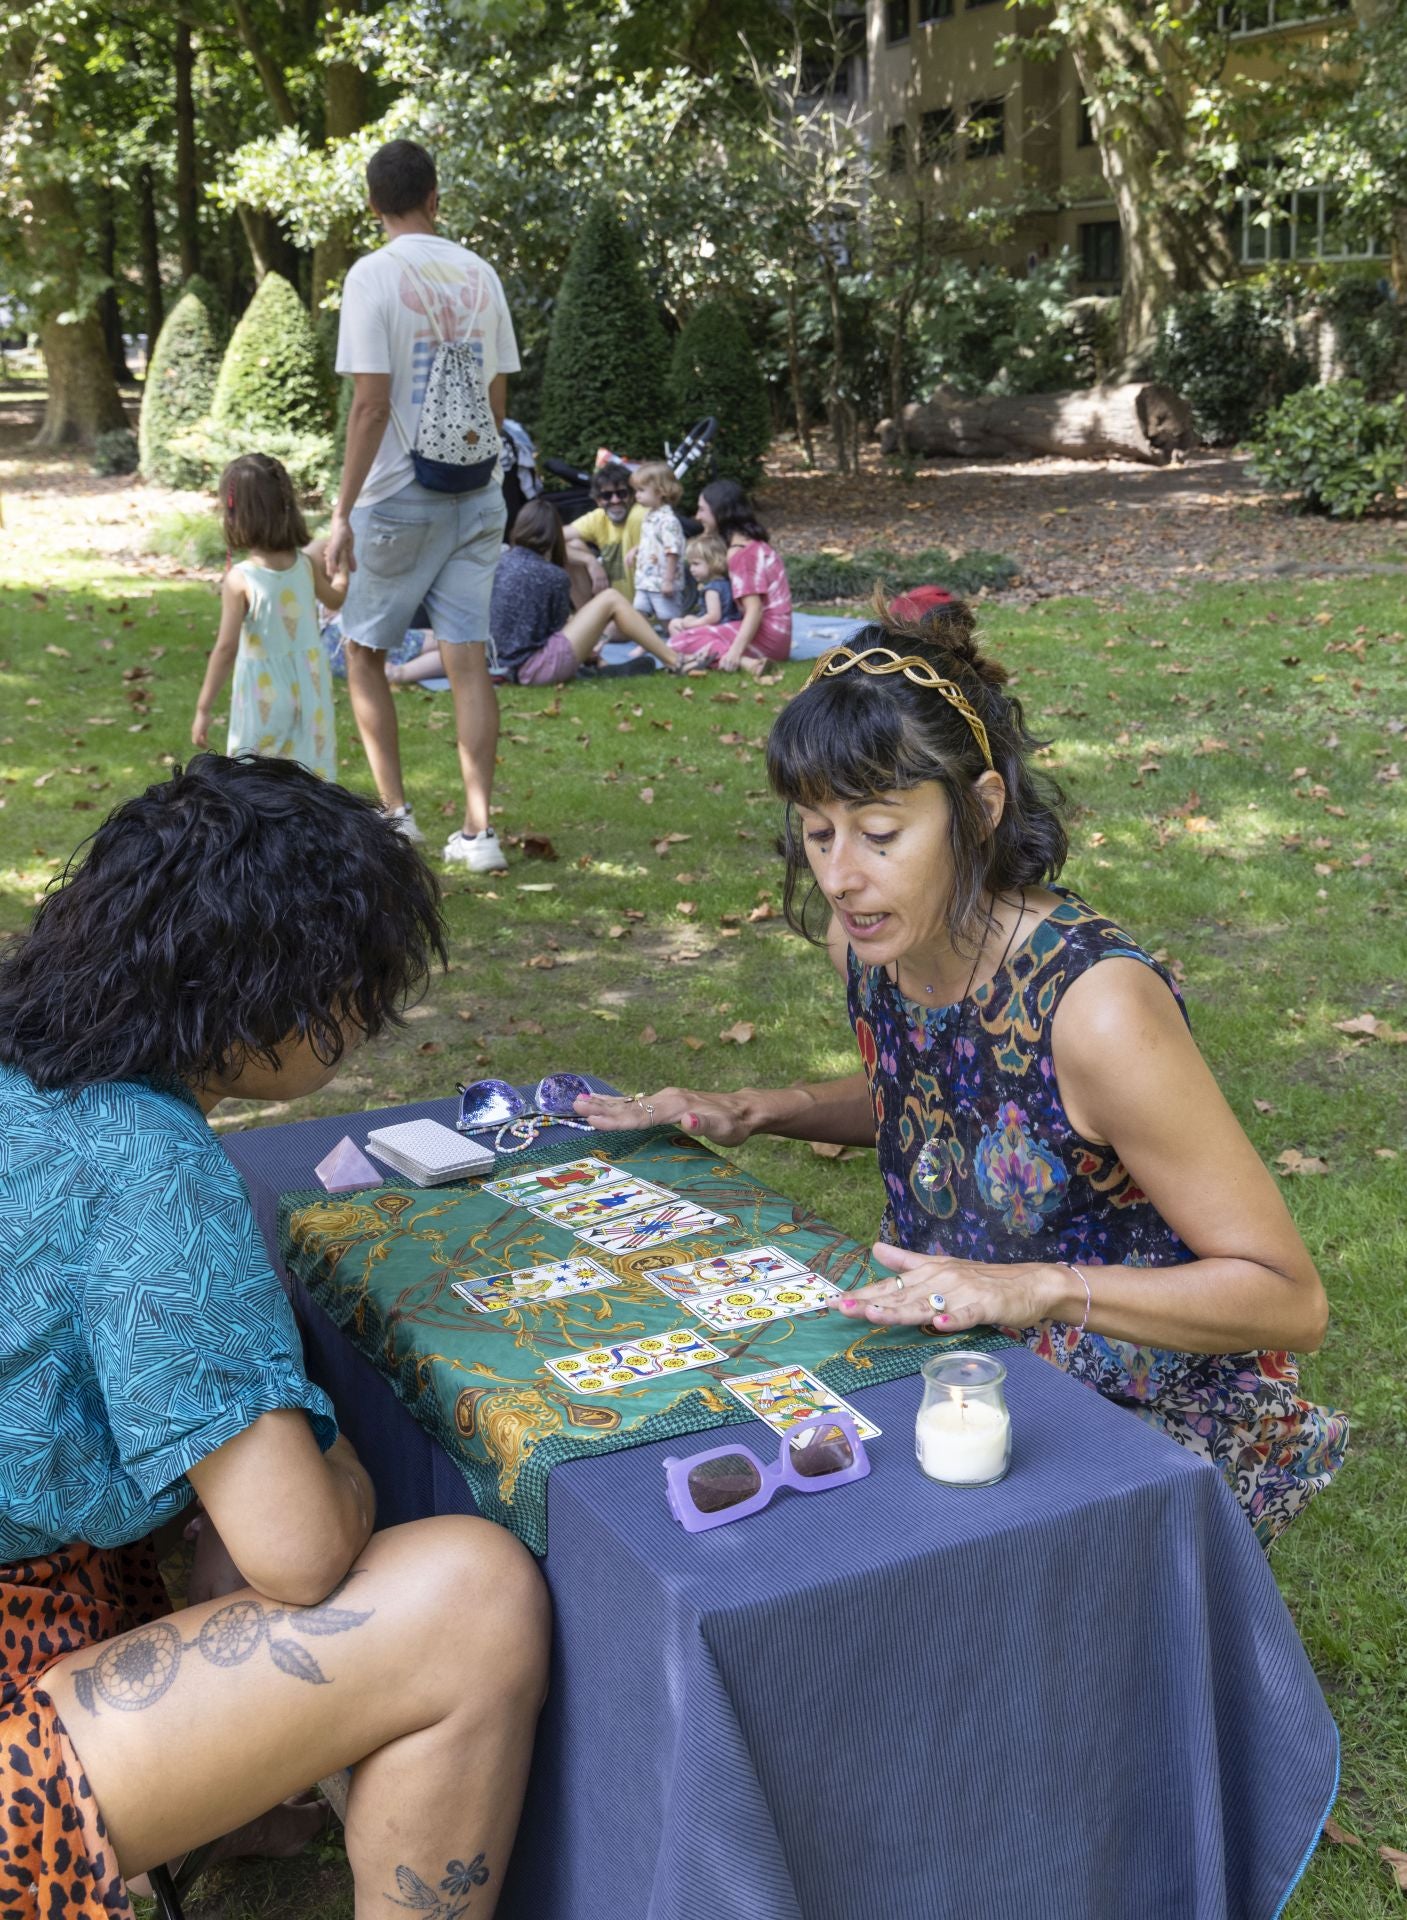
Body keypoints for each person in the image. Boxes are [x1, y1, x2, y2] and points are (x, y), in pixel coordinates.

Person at [578, 604, 1348, 1545]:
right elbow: (945, 1098)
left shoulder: (1097, 1007)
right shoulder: (864, 946)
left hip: (1148, 1392)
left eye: (878, 832)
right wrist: (756, 1107)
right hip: (959, 1342)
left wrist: (1041, 1286)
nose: (839, 876)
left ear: (979, 809)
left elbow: (1286, 1298)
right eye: (817, 833)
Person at [0, 755, 549, 1920]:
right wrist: (335, 1457)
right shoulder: (149, 1163)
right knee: (473, 1597)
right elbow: (294, 1550)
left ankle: (240, 1801)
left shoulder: (34, 1062)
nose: (367, 1018)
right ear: (266, 990)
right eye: (354, 985)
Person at [329, 136, 519, 874]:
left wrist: (342, 510)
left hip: (397, 494)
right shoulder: (480, 274)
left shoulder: (371, 276)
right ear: (436, 198)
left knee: (364, 652)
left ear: (373, 205)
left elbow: (370, 405)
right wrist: (478, 459)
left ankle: (395, 819)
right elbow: (499, 394)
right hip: (476, 490)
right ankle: (479, 834)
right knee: (466, 659)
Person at [192, 454, 343, 778]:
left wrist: (204, 708)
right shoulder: (305, 565)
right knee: (308, 781)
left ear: (236, 515)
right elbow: (336, 599)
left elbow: (226, 648)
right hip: (310, 690)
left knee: (256, 782)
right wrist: (343, 576)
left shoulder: (241, 579)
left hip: (264, 694)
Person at [489, 498, 682, 685]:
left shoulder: (499, 563)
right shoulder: (553, 576)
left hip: (497, 664)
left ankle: (598, 668)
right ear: (554, 534)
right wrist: (589, 644)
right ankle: (676, 661)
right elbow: (558, 633)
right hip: (529, 669)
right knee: (611, 599)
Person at [672, 478, 792, 675]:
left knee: (680, 641)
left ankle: (746, 663)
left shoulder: (741, 552)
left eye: (702, 509)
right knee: (684, 631)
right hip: (778, 636)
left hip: (770, 641)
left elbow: (755, 609)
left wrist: (735, 653)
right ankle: (719, 657)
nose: (697, 515)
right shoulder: (752, 543)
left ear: (719, 511)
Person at [562, 462, 647, 606]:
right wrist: (590, 561)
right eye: (607, 495)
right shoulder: (599, 517)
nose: (615, 500)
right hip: (612, 604)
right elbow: (549, 537)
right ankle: (589, 619)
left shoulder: (641, 515)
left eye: (622, 493)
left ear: (632, 495)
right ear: (598, 500)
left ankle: (596, 624)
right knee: (572, 546)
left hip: (642, 608)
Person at [626, 461, 686, 628]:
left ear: (660, 492)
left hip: (661, 581)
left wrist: (668, 580)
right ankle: (646, 643)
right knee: (639, 610)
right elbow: (652, 541)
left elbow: (672, 551)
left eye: (641, 490)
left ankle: (678, 642)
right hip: (646, 578)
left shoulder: (668, 521)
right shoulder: (650, 515)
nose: (636, 495)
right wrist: (635, 549)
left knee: (667, 616)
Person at [668, 533, 738, 639]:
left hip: (718, 629)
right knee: (688, 617)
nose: (691, 569)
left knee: (674, 624)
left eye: (696, 564)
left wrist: (692, 624)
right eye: (690, 564)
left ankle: (687, 651)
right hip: (730, 625)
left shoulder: (712, 589)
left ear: (713, 562)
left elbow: (714, 617)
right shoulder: (727, 582)